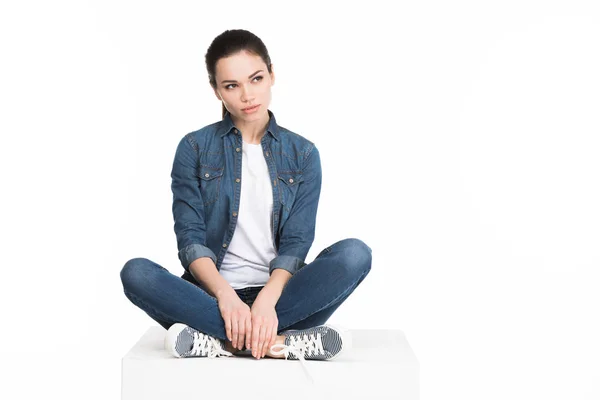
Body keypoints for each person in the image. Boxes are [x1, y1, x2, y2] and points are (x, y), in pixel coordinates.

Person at [119, 29, 372, 363]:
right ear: (215, 90)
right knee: (136, 273)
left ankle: (221, 343)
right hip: (209, 298)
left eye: (255, 79)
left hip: (283, 299)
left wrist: (266, 301)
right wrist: (226, 297)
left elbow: (297, 241)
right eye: (231, 85)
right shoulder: (194, 148)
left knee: (355, 254)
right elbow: (190, 239)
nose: (247, 95)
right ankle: (278, 344)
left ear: (271, 75)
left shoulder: (303, 154)